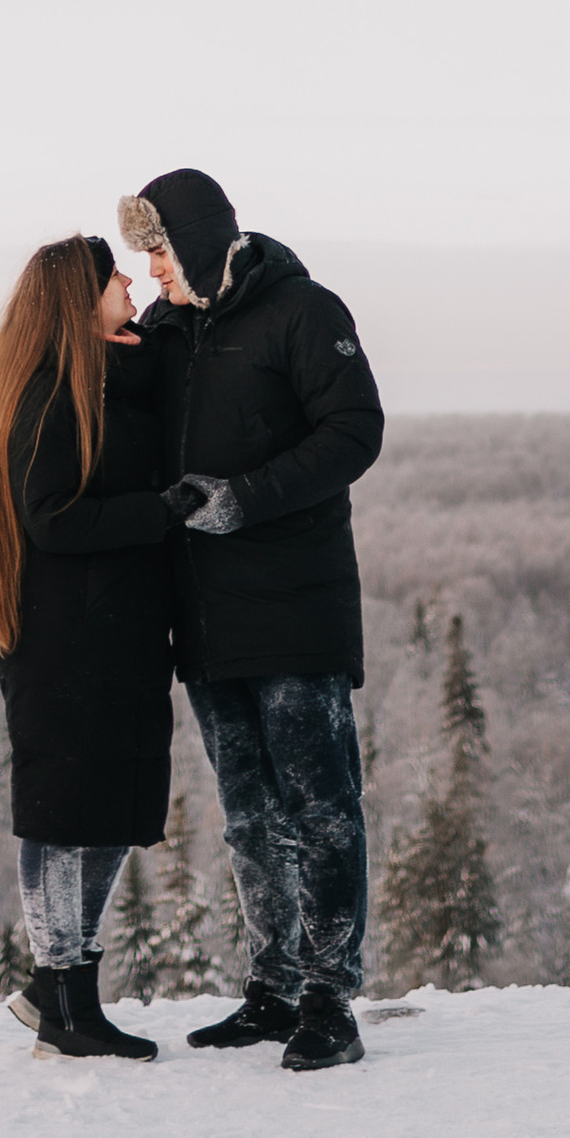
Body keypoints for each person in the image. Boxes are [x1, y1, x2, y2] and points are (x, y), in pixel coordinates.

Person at [118, 166, 384, 1074]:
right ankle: (271, 987)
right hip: (205, 617)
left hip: (295, 606)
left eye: (156, 249)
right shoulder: (168, 329)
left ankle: (330, 997)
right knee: (247, 815)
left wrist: (245, 499)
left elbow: (355, 431)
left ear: (194, 238)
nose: (149, 269)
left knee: (321, 807)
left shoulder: (305, 311)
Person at [0, 231, 173, 1060]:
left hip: (114, 637)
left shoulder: (91, 385)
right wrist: (162, 508)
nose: (127, 280)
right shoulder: (45, 395)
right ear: (73, 302)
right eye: (112, 275)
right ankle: (65, 994)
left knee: (111, 812)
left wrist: (150, 339)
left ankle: (60, 992)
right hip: (62, 641)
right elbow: (53, 514)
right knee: (63, 815)